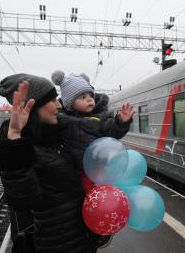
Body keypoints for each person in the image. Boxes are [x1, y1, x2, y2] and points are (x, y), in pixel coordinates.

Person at [0, 73, 98, 253]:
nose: (59, 105)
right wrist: (14, 135)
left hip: (82, 240)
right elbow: (23, 199)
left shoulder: (55, 138)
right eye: (52, 100)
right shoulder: (23, 149)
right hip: (55, 245)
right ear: (34, 106)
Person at [51, 70, 135, 248]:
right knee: (79, 202)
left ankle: (101, 230)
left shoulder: (102, 118)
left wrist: (121, 122)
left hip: (97, 171)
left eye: (90, 95)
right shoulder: (63, 120)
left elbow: (113, 131)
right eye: (82, 97)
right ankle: (93, 228)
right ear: (69, 103)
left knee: (97, 198)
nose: (90, 99)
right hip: (75, 169)